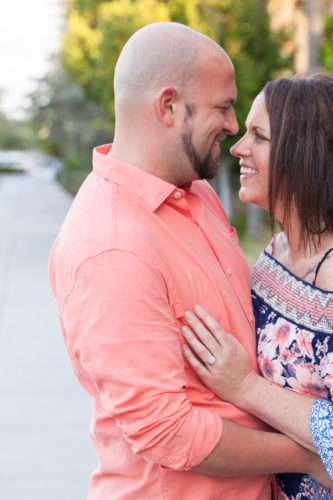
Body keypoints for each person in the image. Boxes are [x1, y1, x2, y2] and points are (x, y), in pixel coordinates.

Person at [49, 24, 332, 499]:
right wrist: (308, 454)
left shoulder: (196, 191)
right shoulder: (112, 246)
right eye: (223, 107)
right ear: (168, 106)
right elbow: (165, 430)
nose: (232, 126)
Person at [181, 74, 333, 499]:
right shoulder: (278, 250)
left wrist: (245, 387)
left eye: (259, 136)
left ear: (308, 152)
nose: (238, 148)